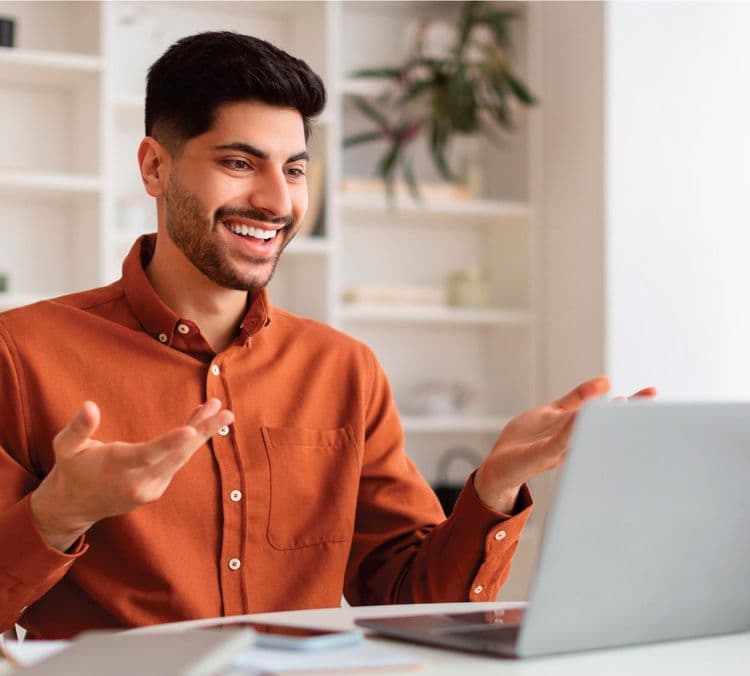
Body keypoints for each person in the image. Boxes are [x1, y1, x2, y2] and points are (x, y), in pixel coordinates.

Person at [0, 32, 653, 639]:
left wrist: (494, 490)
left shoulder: (344, 369)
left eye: (293, 170)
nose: (276, 202)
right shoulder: (22, 355)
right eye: (238, 162)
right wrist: (57, 514)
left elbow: (412, 603)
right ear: (154, 169)